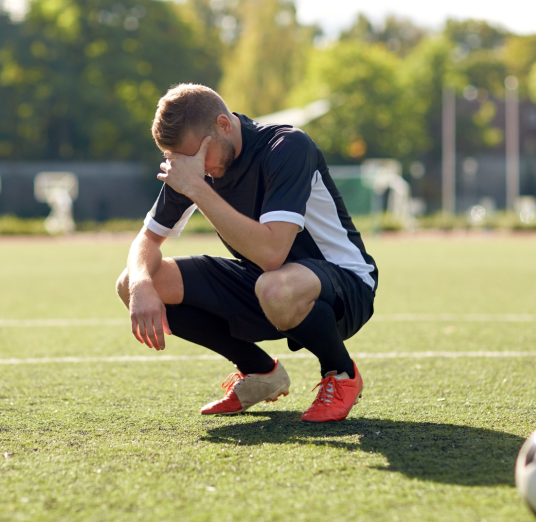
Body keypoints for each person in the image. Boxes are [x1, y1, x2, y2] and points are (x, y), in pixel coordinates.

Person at [115, 84, 377, 422]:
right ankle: (259, 373)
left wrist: (196, 187)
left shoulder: (287, 147)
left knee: (275, 287)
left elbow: (272, 253)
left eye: (198, 157)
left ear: (223, 125)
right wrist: (139, 286)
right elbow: (146, 241)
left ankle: (341, 373)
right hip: (265, 283)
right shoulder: (195, 162)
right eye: (182, 160)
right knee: (134, 280)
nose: (199, 168)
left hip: (344, 283)